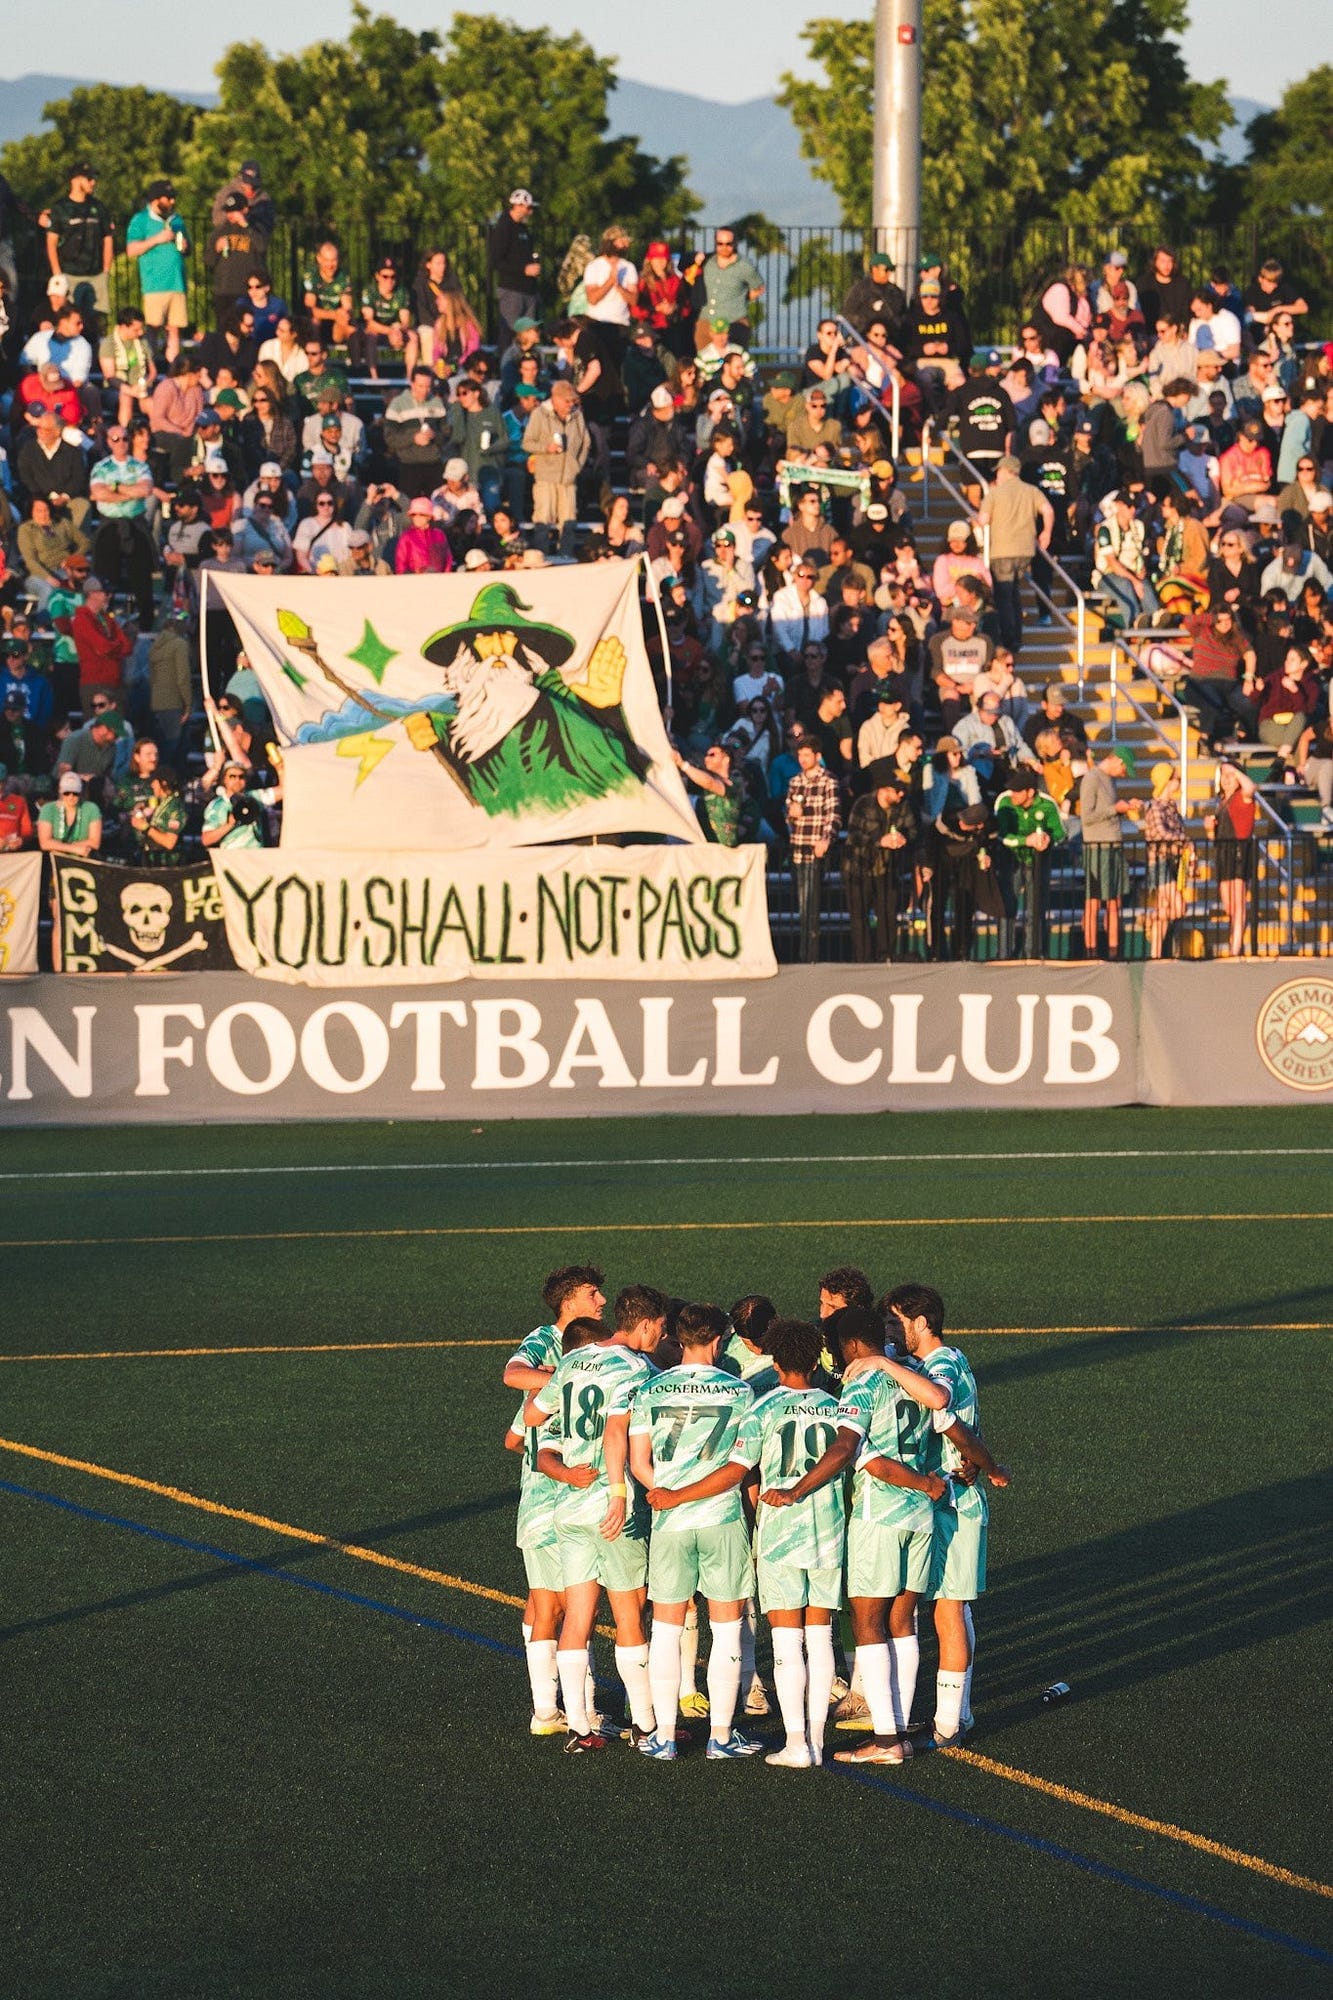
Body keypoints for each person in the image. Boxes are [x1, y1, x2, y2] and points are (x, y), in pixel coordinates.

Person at [762, 1306, 948, 1765]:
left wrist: (796, 1490)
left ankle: (885, 1740)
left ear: (850, 1345)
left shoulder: (862, 1384)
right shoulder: (912, 1375)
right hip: (920, 1516)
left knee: (868, 1624)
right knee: (902, 1623)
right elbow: (942, 1409)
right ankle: (898, 1729)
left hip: (878, 1514)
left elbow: (849, 1448)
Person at [523, 1294, 663, 1754]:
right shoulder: (637, 1369)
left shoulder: (572, 1361)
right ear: (645, 1324)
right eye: (660, 1326)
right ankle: (645, 1725)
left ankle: (580, 1728)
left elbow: (532, 1416)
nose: (662, 1334)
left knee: (578, 1616)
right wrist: (619, 1493)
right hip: (610, 1506)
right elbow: (617, 1432)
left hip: (570, 1505)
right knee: (628, 1615)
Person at [631, 1303, 762, 1762]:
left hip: (670, 1524)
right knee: (725, 1630)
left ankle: (664, 1737)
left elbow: (638, 1462)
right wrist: (688, 1495)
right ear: (719, 1340)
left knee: (666, 1630)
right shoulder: (740, 1391)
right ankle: (720, 1737)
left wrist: (667, 1495)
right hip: (721, 1520)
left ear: (678, 1338)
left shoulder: (650, 1390)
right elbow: (739, 1468)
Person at [883, 1285, 1009, 1749]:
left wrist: (987, 1465)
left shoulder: (943, 1366)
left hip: (955, 1504)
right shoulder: (936, 1360)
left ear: (921, 1322)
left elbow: (943, 1407)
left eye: (896, 1322)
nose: (890, 1332)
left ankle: (949, 1725)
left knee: (949, 1609)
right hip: (944, 1499)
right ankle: (959, 1713)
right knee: (949, 1606)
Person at [502, 1264, 610, 1736]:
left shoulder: (589, 1345)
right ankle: (579, 1710)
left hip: (547, 1495)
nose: (601, 1300)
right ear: (569, 1300)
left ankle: (546, 1709)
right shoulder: (547, 1341)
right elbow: (512, 1374)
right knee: (575, 1604)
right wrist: (558, 1378)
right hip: (559, 1496)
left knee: (547, 1602)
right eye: (593, 1293)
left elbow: (514, 1437)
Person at [979, 456, 1053, 656]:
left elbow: (983, 519)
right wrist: (1046, 532)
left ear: (1006, 471)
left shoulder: (995, 493)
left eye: (999, 471)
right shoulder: (1031, 491)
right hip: (1025, 550)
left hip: (1002, 550)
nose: (997, 474)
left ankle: (1010, 640)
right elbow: (1047, 510)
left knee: (1004, 597)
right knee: (1014, 594)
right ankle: (1017, 637)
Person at [844, 772, 914, 962]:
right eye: (897, 791)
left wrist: (904, 838)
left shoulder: (903, 807)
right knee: (859, 917)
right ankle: (863, 959)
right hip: (858, 868)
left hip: (887, 870)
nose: (901, 795)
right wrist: (879, 841)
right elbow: (854, 835)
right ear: (884, 790)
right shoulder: (863, 804)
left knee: (888, 915)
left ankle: (886, 956)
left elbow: (912, 831)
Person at [994, 773, 1064, 957]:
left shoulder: (1047, 804)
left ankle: (1033, 951)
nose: (1013, 794)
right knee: (1007, 907)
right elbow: (1001, 835)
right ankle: (1004, 953)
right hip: (1011, 862)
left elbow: (1060, 833)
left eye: (1018, 791)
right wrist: (1026, 841)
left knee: (1036, 909)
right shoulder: (1005, 802)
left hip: (1038, 863)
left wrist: (1047, 839)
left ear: (1030, 792)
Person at [1079, 745, 1138, 958]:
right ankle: (1091, 953)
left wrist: (1124, 808)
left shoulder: (1110, 780)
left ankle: (1114, 952)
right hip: (1097, 848)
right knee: (1093, 902)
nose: (1123, 774)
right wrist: (1116, 809)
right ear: (1117, 761)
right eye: (1124, 769)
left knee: (1115, 901)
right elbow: (1087, 816)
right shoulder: (1092, 778)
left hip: (1113, 847)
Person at [785, 739, 840, 963]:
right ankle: (803, 950)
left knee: (812, 904)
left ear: (817, 756)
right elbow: (788, 815)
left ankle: (811, 953)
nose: (802, 759)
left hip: (816, 850)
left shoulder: (828, 780)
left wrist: (826, 839)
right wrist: (791, 813)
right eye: (800, 755)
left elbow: (833, 814)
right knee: (802, 904)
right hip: (798, 848)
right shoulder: (795, 781)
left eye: (807, 755)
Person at [125, 179, 189, 364]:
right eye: (168, 198)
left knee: (174, 329)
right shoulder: (141, 219)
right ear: (156, 199)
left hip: (177, 282)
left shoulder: (176, 219)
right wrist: (157, 239)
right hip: (154, 284)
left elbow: (188, 249)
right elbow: (131, 249)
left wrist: (185, 246)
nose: (172, 201)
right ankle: (151, 365)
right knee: (152, 328)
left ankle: (173, 367)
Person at [522, 381, 589, 555]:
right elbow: (527, 442)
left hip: (569, 477)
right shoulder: (539, 414)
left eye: (572, 401)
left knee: (569, 521)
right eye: (567, 401)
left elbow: (585, 443)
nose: (570, 405)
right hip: (545, 476)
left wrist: (576, 466)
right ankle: (542, 555)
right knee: (542, 521)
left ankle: (566, 556)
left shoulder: (577, 415)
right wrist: (546, 448)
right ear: (556, 399)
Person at [45, 162, 113, 325]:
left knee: (95, 322)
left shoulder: (98, 207)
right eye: (89, 178)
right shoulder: (60, 208)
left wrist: (106, 270)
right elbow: (51, 242)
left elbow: (108, 238)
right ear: (75, 180)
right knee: (68, 319)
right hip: (69, 273)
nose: (93, 182)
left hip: (96, 274)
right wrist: (57, 273)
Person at [1205, 762, 1258, 957]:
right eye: (1223, 775)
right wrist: (1209, 829)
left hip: (1239, 852)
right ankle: (1235, 940)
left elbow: (1250, 787)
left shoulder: (1242, 796)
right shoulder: (1220, 802)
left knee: (1238, 901)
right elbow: (1214, 838)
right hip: (1223, 852)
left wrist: (1235, 770)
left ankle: (1235, 948)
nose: (1226, 779)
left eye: (1230, 776)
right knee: (1229, 905)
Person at [1142, 761, 1194, 959]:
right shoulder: (1155, 807)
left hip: (1175, 862)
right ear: (1167, 781)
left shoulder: (1171, 807)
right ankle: (1148, 918)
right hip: (1160, 862)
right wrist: (1183, 839)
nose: (1178, 782)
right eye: (1175, 778)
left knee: (1164, 909)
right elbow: (1161, 833)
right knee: (1179, 907)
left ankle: (1155, 955)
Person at [693, 228, 764, 349]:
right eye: (720, 244)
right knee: (704, 358)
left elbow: (759, 288)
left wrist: (740, 299)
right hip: (706, 321)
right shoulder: (707, 262)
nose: (724, 247)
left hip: (734, 321)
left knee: (734, 357)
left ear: (735, 243)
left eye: (728, 244)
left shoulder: (745, 266)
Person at [489, 190, 541, 348]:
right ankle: (507, 361)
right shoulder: (504, 228)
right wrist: (523, 270)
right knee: (510, 333)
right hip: (512, 289)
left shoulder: (523, 229)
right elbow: (496, 261)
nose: (530, 212)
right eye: (528, 208)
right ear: (518, 206)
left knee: (529, 335)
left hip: (528, 289)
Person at [201, 760, 280, 850]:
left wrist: (279, 768)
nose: (237, 780)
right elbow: (206, 840)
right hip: (232, 854)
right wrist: (230, 824)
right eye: (232, 776)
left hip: (256, 853)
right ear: (224, 779)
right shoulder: (218, 805)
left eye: (241, 776)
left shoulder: (254, 797)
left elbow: (283, 791)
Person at [37, 771, 102, 859]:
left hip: (83, 859)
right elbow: (45, 843)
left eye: (75, 793)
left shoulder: (91, 808)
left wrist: (58, 846)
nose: (71, 796)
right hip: (55, 859)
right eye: (66, 793)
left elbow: (95, 843)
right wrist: (74, 848)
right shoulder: (48, 809)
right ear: (60, 791)